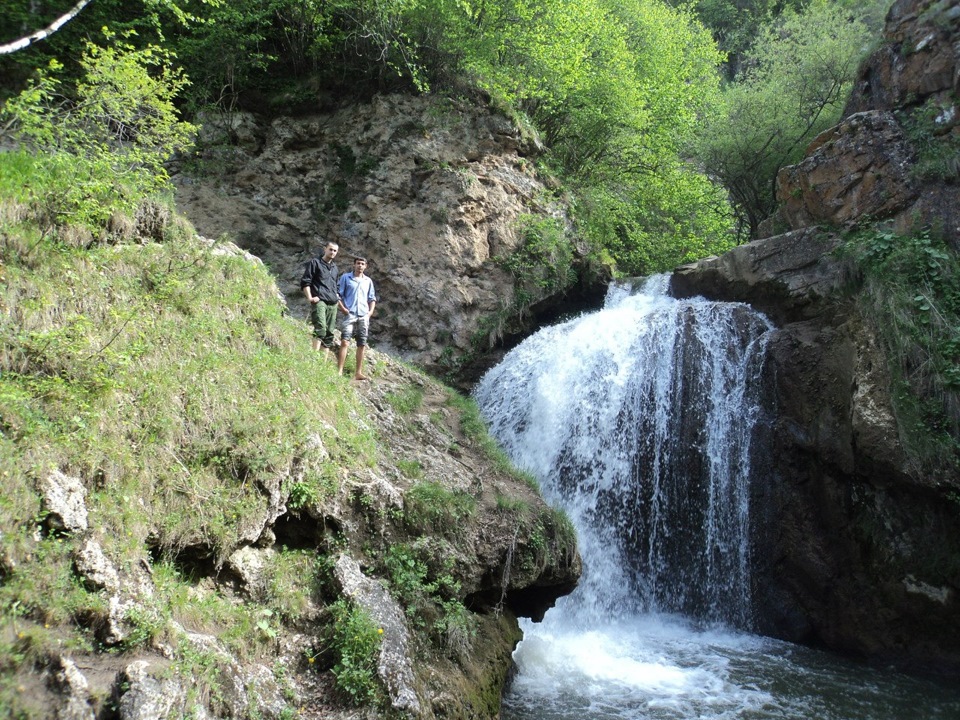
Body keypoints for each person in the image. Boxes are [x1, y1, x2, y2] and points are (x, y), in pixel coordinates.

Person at [336, 256, 377, 380]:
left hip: (363, 314)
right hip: (350, 314)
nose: (360, 266)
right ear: (354, 265)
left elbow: (372, 298)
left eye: (362, 264)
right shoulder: (345, 278)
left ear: (366, 266)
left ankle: (358, 372)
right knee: (344, 341)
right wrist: (343, 308)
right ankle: (339, 370)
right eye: (358, 263)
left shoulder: (368, 281)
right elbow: (338, 294)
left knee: (362, 344)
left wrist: (370, 313)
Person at [300, 241, 341, 356]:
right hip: (320, 301)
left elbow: (337, 285)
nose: (332, 252)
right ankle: (314, 358)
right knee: (321, 329)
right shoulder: (315, 263)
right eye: (330, 249)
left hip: (333, 303)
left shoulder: (335, 268)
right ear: (325, 249)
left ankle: (322, 364)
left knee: (329, 334)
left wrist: (337, 296)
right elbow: (305, 281)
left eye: (335, 251)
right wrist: (310, 298)